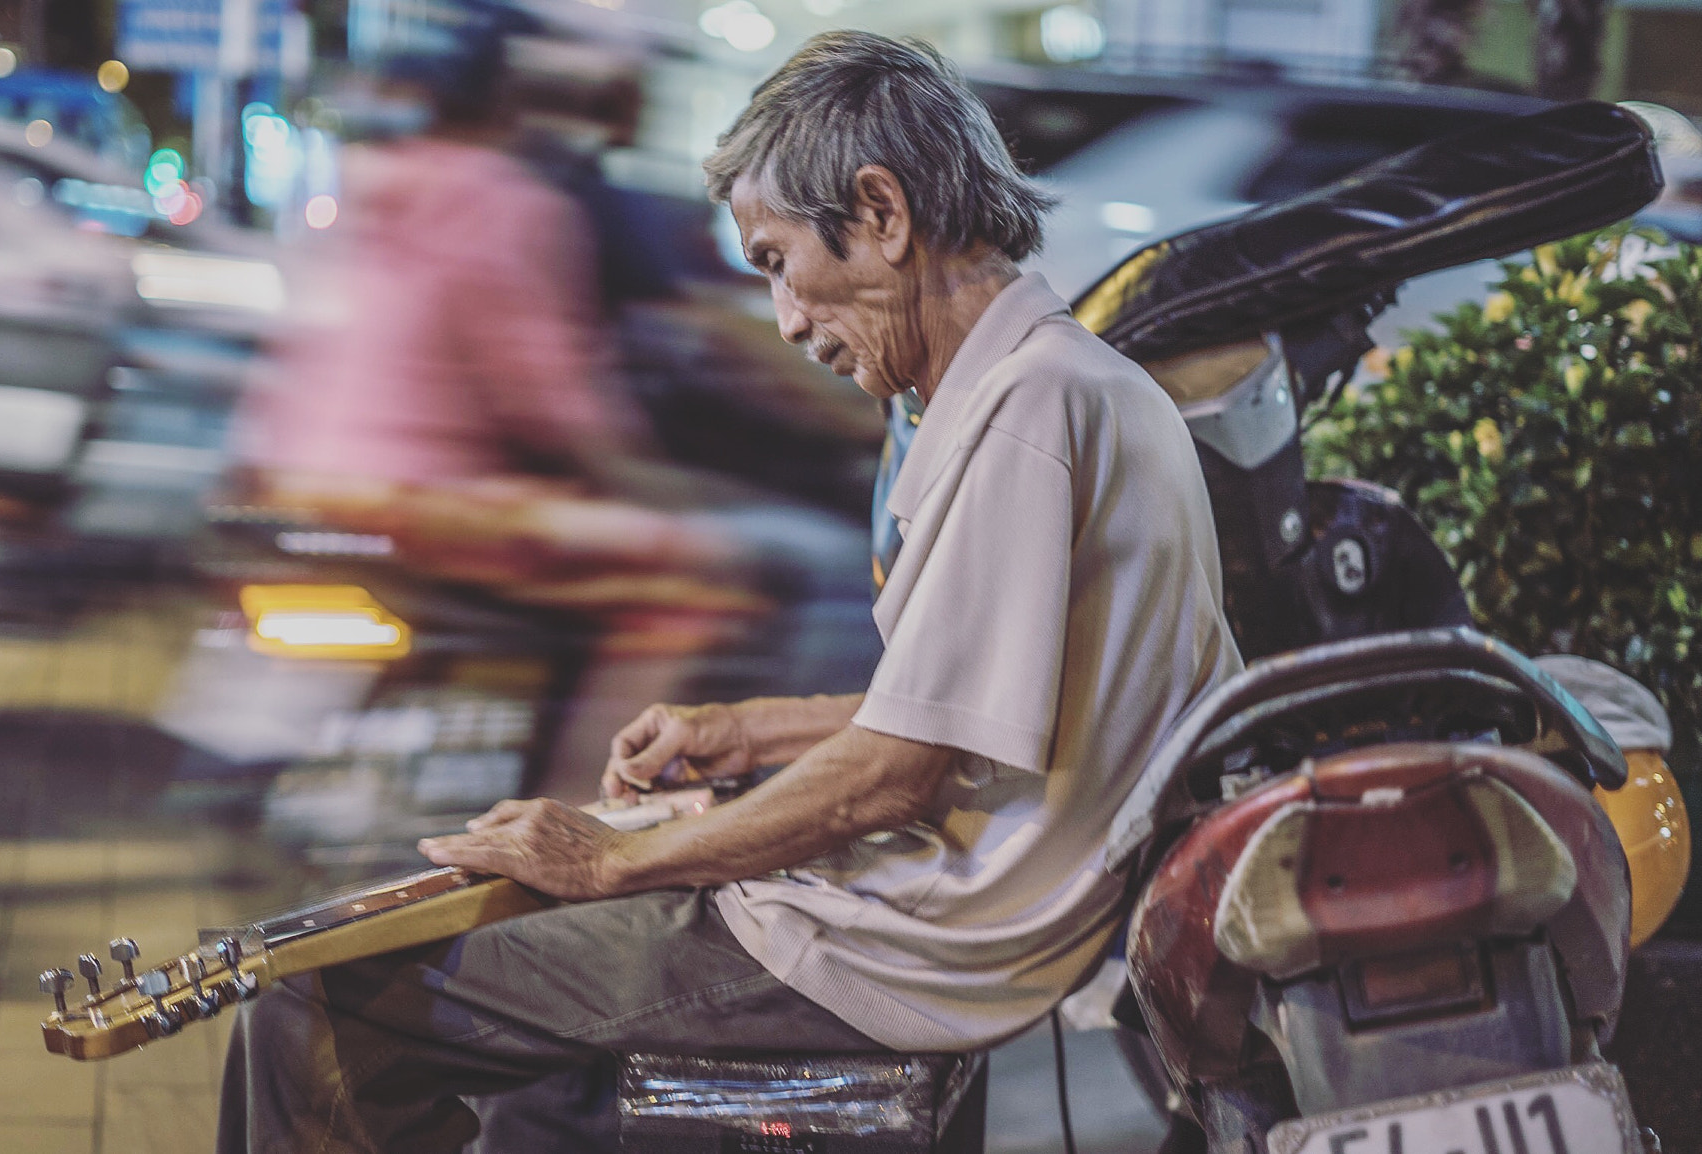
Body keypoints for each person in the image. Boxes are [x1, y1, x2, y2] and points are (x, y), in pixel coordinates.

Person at [216, 30, 1240, 1153]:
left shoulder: (1027, 412)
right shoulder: (1072, 382)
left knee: (314, 1004)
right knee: (487, 985)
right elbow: (983, 710)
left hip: (888, 949)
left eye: (775, 262)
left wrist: (608, 856)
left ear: (881, 214)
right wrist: (746, 725)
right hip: (911, 924)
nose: (789, 323)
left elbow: (899, 772)